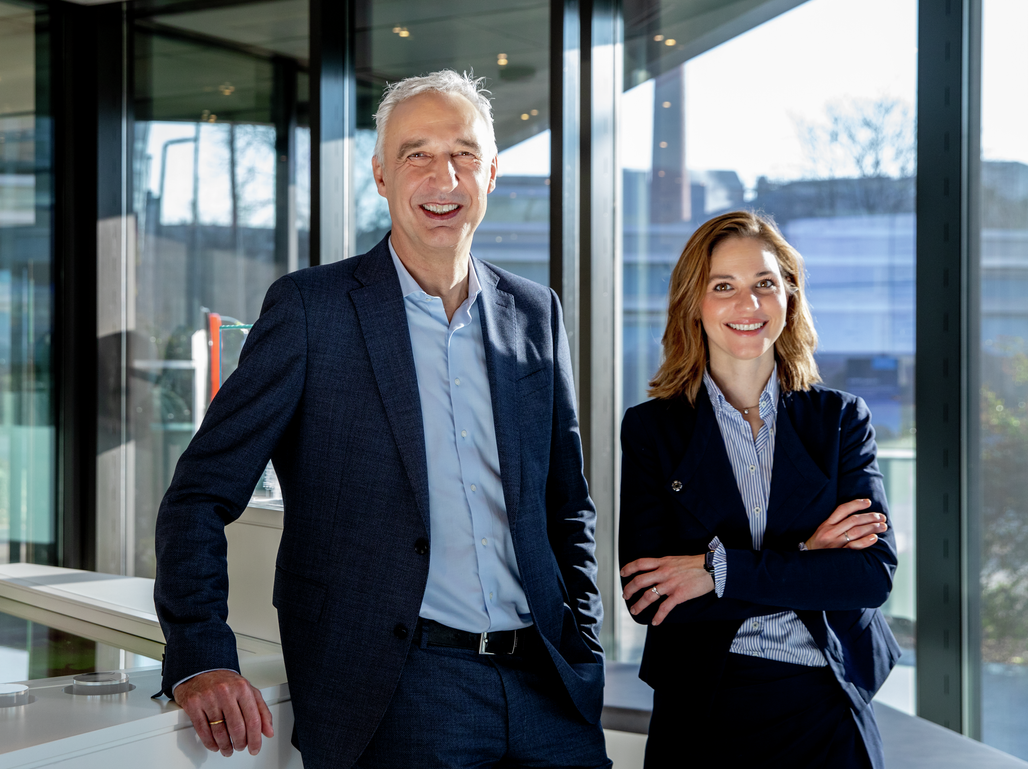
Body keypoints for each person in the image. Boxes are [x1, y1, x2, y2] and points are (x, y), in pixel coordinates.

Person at [154, 70, 610, 769]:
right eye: (416, 154)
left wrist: (583, 643)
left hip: (547, 687)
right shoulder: (313, 310)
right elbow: (198, 494)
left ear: (491, 173)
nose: (442, 176)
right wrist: (200, 654)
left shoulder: (535, 313)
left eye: (462, 154)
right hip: (401, 691)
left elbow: (566, 507)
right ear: (379, 174)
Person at [617, 211, 900, 769]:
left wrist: (717, 572)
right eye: (724, 287)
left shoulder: (841, 420)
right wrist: (805, 561)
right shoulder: (653, 430)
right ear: (693, 303)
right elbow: (649, 597)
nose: (748, 305)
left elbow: (869, 576)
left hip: (827, 706)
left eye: (764, 284)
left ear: (789, 298)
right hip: (704, 711)